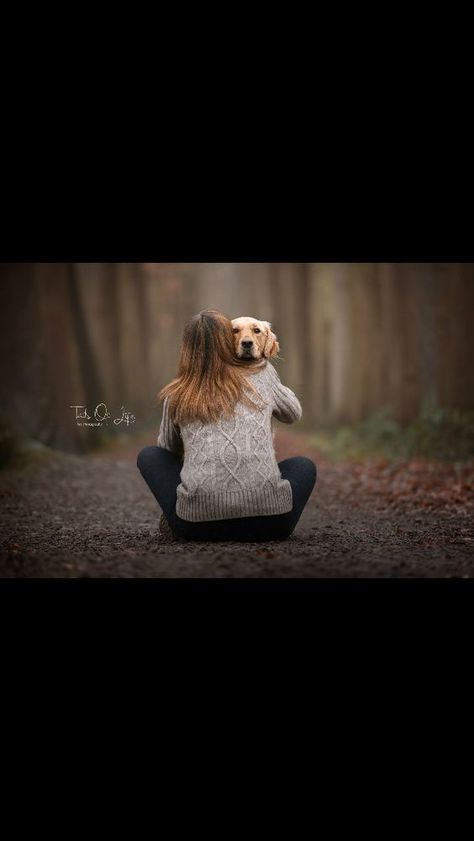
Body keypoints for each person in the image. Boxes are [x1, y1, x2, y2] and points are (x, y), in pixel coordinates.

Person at [136, 309, 317, 542]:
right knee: (303, 465)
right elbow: (293, 413)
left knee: (150, 455)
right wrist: (269, 372)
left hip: (194, 528)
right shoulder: (262, 374)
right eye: (234, 332)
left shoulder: (177, 392)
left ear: (185, 350)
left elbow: (167, 448)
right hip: (273, 525)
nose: (245, 338)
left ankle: (179, 515)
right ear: (225, 342)